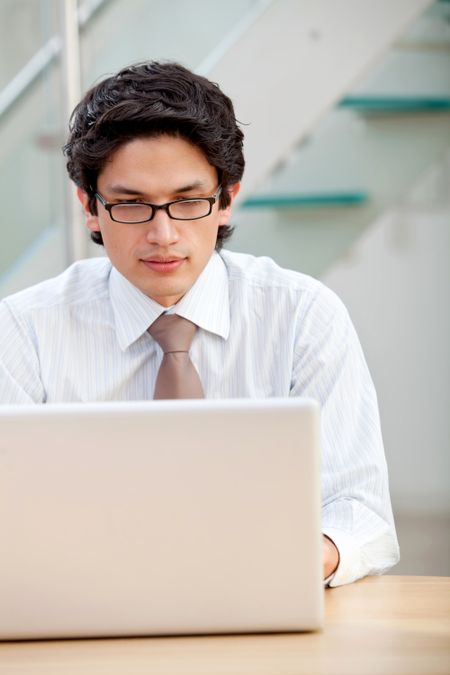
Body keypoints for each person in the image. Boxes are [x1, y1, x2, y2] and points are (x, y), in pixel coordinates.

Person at [0, 61, 399, 586]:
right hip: (86, 597)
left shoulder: (302, 314)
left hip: (261, 593)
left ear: (227, 199)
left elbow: (361, 512)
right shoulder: (24, 329)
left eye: (188, 202)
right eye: (130, 205)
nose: (163, 234)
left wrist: (301, 558)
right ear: (90, 208)